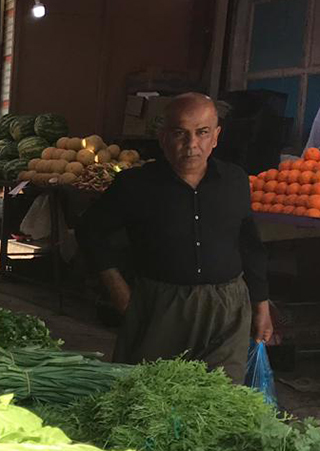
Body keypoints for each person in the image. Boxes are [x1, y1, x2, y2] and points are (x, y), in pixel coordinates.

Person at [77, 93, 271, 382]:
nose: (192, 144)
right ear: (163, 137)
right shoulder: (135, 186)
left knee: (221, 394)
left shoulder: (234, 180)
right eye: (180, 133)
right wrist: (120, 293)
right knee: (151, 390)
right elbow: (90, 231)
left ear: (216, 137)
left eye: (202, 132)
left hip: (227, 310)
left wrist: (261, 305)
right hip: (160, 309)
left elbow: (249, 245)